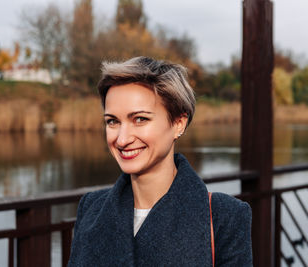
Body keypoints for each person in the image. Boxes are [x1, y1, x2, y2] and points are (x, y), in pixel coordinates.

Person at [68, 56, 252, 266]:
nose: (122, 139)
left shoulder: (224, 216)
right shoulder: (92, 209)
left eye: (140, 119)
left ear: (178, 123)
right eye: (112, 121)